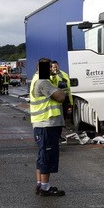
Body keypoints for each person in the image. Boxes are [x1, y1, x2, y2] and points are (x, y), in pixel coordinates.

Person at [31, 57, 68, 197]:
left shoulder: (39, 79)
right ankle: (45, 188)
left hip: (42, 124)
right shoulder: (43, 82)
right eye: (48, 68)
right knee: (47, 155)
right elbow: (61, 97)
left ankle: (40, 184)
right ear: (40, 69)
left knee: (42, 155)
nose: (51, 70)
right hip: (46, 123)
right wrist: (61, 90)